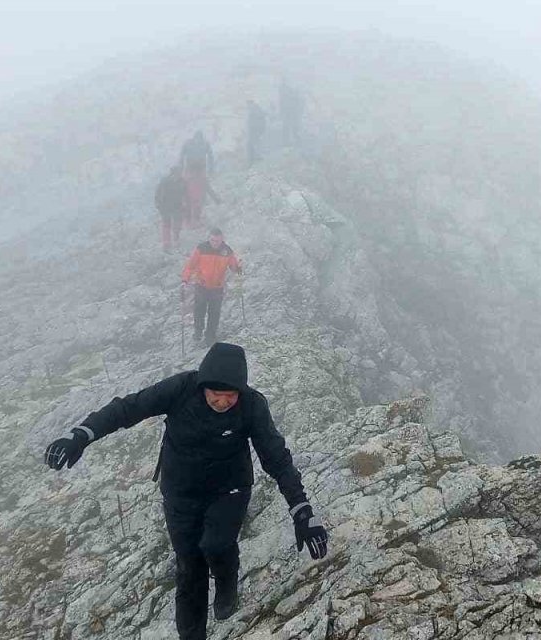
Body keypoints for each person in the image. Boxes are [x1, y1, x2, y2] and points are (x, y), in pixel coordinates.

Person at [44, 343, 329, 640]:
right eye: (215, 394)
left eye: (229, 395)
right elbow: (128, 408)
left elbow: (276, 458)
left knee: (217, 545)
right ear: (202, 385)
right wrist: (82, 434)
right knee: (189, 569)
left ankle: (226, 581)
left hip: (229, 489)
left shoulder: (252, 405)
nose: (222, 402)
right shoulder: (180, 388)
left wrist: (302, 511)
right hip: (180, 493)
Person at [181, 228, 241, 345]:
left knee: (215, 313)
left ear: (222, 239)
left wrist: (239, 269)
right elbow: (190, 266)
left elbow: (234, 266)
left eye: (217, 241)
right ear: (209, 238)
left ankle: (210, 336)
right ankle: (198, 331)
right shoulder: (201, 249)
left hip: (217, 287)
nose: (215, 243)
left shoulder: (227, 251)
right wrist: (185, 280)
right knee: (199, 310)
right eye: (213, 240)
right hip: (201, 285)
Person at [180, 131, 216, 229]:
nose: (198, 141)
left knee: (199, 195)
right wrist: (181, 169)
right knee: (187, 196)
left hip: (200, 170)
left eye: (199, 140)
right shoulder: (188, 144)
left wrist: (211, 169)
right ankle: (188, 220)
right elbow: (181, 157)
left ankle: (196, 219)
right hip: (190, 170)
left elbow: (211, 157)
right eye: (197, 140)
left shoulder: (205, 144)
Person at [155, 165, 186, 251]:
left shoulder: (182, 181)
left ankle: (176, 240)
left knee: (177, 225)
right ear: (173, 173)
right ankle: (166, 243)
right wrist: (158, 204)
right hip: (165, 206)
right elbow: (158, 193)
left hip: (177, 206)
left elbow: (185, 194)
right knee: (166, 224)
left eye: (180, 172)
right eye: (178, 172)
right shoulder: (165, 181)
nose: (180, 174)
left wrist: (185, 204)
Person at [278, 79, 304, 146]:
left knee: (292, 127)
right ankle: (290, 141)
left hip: (291, 113)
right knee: (289, 127)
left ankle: (295, 141)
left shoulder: (290, 94)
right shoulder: (288, 94)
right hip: (289, 113)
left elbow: (298, 103)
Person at [246, 99, 267, 166]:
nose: (248, 106)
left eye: (248, 104)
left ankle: (255, 158)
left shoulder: (255, 110)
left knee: (253, 143)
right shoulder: (257, 109)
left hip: (255, 130)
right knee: (254, 143)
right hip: (256, 130)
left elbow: (256, 121)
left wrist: (256, 129)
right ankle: (255, 157)